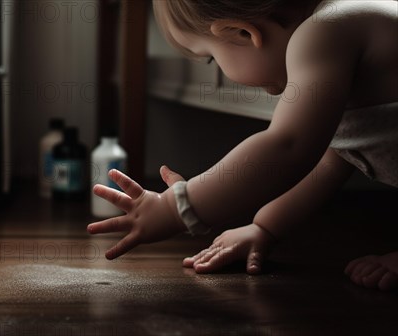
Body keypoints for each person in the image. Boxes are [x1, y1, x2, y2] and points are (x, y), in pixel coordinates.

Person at [87, 0, 398, 291]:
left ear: (242, 32)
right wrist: (265, 228)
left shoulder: (323, 31)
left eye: (210, 56)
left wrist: (175, 208)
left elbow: (287, 146)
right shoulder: (339, 44)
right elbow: (331, 162)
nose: (219, 70)